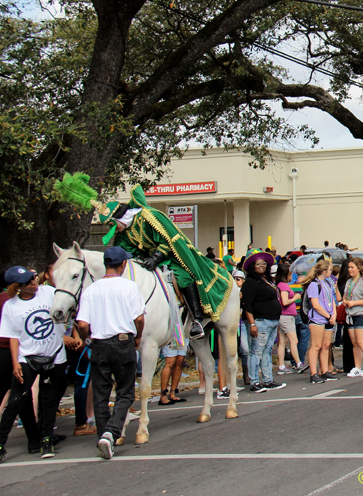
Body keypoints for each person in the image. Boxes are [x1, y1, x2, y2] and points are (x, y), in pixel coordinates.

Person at [53, 177, 233, 341]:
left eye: (112, 224)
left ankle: (197, 319)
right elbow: (124, 254)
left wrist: (155, 258)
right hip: (145, 264)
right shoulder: (122, 235)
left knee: (184, 277)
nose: (112, 228)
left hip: (170, 258)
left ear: (119, 218)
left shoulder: (147, 217)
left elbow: (168, 241)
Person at [74, 246, 145, 460]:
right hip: (123, 342)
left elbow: (82, 323)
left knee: (100, 394)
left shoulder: (91, 290)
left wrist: (87, 338)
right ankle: (111, 432)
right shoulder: (130, 287)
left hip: (99, 343)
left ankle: (102, 436)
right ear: (123, 265)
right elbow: (139, 319)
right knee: (125, 392)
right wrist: (138, 336)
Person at [0, 266, 68, 462]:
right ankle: (0, 443)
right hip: (27, 357)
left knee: (48, 399)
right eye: (28, 281)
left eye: (33, 277)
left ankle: (46, 439)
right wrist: (15, 363)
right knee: (15, 401)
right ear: (18, 287)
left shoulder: (48, 292)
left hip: (54, 356)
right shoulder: (11, 306)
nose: (33, 281)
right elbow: (13, 336)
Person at [241, 249, 286, 393]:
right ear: (252, 266)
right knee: (256, 352)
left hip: (272, 322)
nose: (261, 266)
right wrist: (252, 323)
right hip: (260, 322)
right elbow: (246, 304)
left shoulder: (267, 281)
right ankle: (254, 382)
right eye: (257, 263)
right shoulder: (250, 282)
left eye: (264, 263)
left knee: (267, 351)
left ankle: (267, 380)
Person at [301, 260, 340, 384]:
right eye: (329, 270)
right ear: (324, 271)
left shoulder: (328, 283)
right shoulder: (314, 284)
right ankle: (313, 373)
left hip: (328, 317)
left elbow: (332, 300)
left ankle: (325, 371)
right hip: (318, 318)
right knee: (316, 346)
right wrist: (328, 315)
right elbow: (315, 305)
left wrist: (333, 314)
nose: (331, 272)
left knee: (325, 345)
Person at [274, 264, 304, 377]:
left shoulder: (280, 285)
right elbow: (285, 302)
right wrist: (295, 298)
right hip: (287, 316)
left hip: (284, 316)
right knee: (294, 341)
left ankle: (281, 365)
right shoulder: (284, 286)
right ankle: (298, 363)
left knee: (282, 342)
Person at [158, 337, 188, 405]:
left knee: (180, 361)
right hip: (172, 332)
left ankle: (173, 393)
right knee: (170, 362)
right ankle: (163, 395)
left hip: (182, 332)